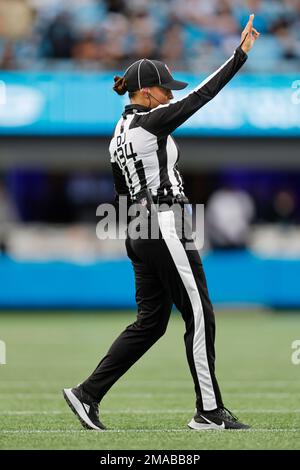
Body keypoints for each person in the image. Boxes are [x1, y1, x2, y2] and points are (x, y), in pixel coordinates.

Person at [63, 14, 260, 431]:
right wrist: (238, 56)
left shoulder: (118, 133)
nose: (169, 97)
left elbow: (119, 193)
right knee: (200, 314)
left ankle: (87, 394)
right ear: (148, 93)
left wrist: (138, 233)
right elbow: (202, 96)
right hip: (163, 220)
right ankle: (208, 411)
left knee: (151, 323)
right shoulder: (152, 123)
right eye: (165, 90)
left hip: (138, 224)